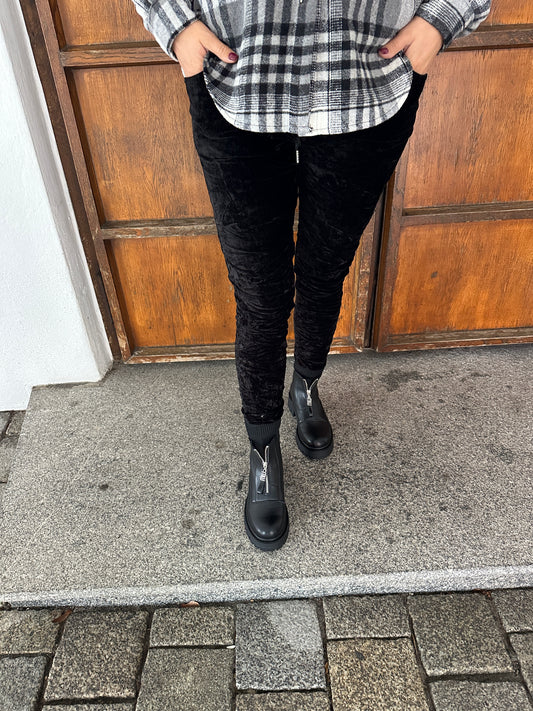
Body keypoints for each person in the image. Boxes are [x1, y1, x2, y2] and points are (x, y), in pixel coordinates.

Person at [132, 0, 491, 551]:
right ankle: (263, 449)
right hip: (235, 80)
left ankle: (305, 386)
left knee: (325, 273)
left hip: (367, 82)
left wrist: (440, 20)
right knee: (260, 297)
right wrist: (176, 26)